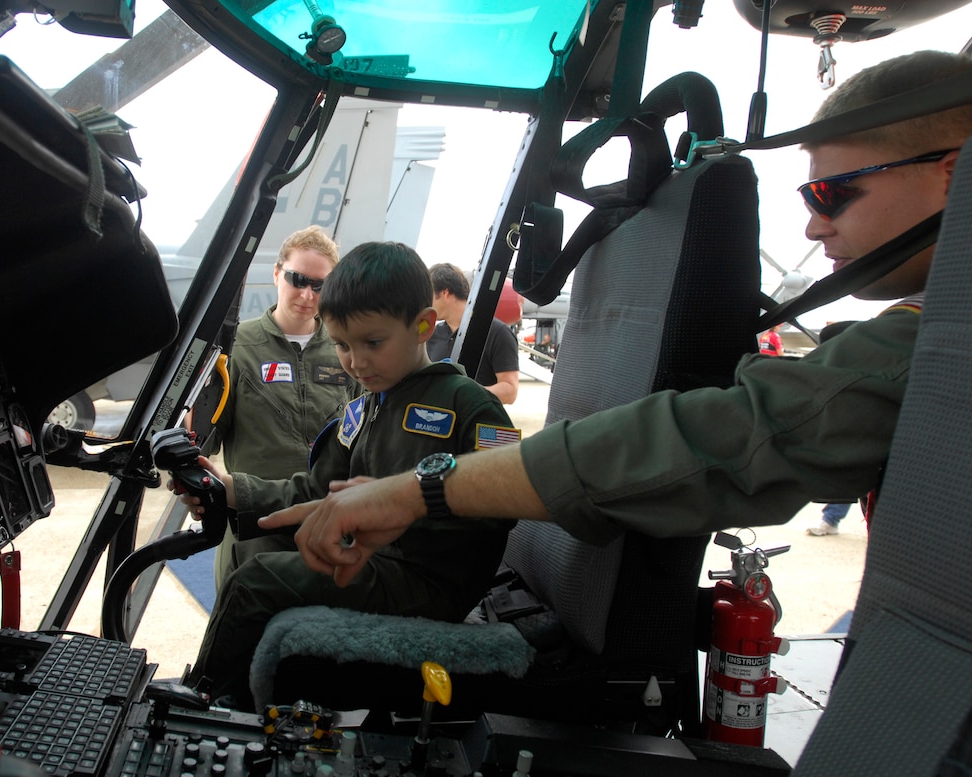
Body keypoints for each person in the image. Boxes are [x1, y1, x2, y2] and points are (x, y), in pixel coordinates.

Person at [255, 51, 972, 587]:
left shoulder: (938, 345)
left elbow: (724, 436)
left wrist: (419, 489)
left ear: (955, 171)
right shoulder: (928, 330)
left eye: (831, 193)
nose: (814, 227)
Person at [183, 241, 520, 705]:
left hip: (430, 581)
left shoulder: (471, 407)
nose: (355, 362)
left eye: (372, 343)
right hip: (376, 564)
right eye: (341, 345)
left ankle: (203, 703)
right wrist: (231, 489)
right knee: (250, 555)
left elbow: (508, 499)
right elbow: (314, 489)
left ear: (423, 326)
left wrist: (412, 509)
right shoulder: (364, 409)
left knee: (254, 582)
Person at [203, 225, 355, 590]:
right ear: (276, 274)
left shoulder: (347, 348)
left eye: (319, 285)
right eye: (297, 279)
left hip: (328, 525)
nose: (307, 294)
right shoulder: (236, 347)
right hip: (255, 525)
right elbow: (205, 438)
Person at [426, 262, 520, 404]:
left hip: (478, 422)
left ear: (445, 293)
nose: (425, 302)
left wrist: (464, 394)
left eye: (428, 295)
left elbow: (510, 391)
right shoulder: (432, 335)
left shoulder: (497, 333)